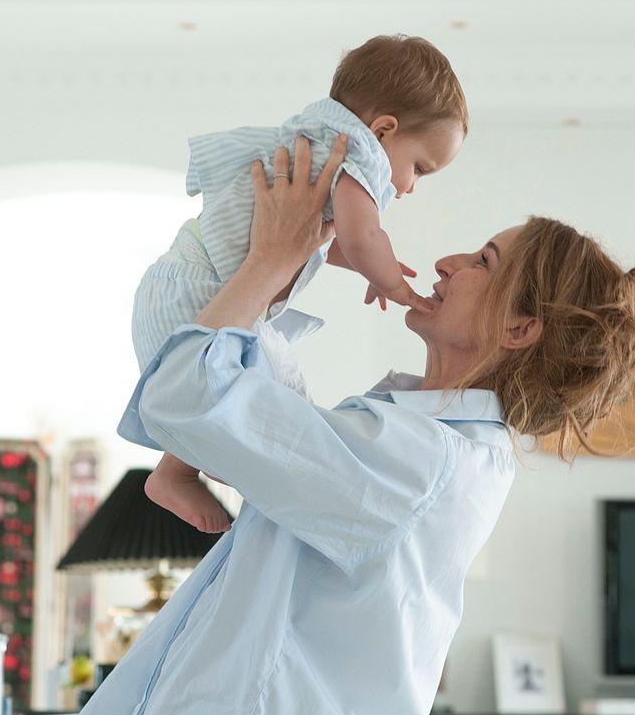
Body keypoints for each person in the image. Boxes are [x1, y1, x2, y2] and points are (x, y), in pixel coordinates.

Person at [92, 137, 635, 715]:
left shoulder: (419, 462)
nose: (448, 262)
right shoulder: (415, 442)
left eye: (483, 262)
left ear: (520, 329)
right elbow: (227, 403)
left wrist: (272, 259)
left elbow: (181, 395)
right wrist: (292, 258)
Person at [134, 34, 469, 533]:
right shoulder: (354, 156)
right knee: (254, 395)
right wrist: (392, 280)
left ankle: (174, 470)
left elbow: (320, 239)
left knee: (240, 390)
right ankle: (176, 472)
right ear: (383, 130)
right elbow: (361, 234)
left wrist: (363, 264)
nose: (410, 185)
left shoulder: (313, 140)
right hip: (198, 286)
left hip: (181, 283)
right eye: (418, 166)